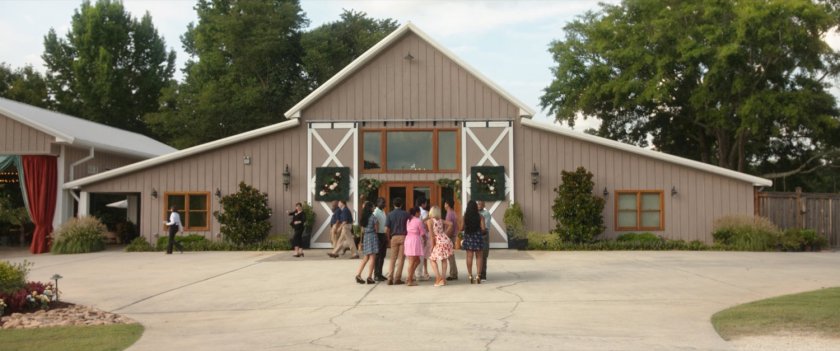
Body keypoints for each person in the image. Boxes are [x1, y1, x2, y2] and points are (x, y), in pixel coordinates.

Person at [427, 206, 453, 287]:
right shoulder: (441, 220)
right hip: (445, 240)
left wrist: (432, 247)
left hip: (438, 241)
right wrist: (445, 233)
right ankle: (443, 279)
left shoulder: (430, 221)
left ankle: (438, 278)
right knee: (444, 259)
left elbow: (432, 236)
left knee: (432, 259)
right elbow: (451, 224)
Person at [385, 197, 410, 285]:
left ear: (393, 205)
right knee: (401, 259)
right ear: (402, 205)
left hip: (394, 237)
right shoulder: (406, 214)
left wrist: (388, 239)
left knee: (392, 259)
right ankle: (397, 278)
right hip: (403, 237)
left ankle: (390, 278)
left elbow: (386, 229)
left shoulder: (389, 214)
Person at [461, 200, 485, 284]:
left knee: (469, 256)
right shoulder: (480, 216)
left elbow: (461, 228)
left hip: (468, 236)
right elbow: (483, 229)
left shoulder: (465, 216)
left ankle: (470, 275)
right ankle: (478, 275)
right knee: (479, 256)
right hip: (478, 236)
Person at [355, 201, 379, 284]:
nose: (374, 208)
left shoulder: (363, 217)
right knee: (372, 257)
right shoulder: (373, 217)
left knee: (366, 257)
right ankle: (369, 277)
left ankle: (358, 274)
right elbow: (376, 229)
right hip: (372, 237)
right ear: (370, 208)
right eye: (373, 207)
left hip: (366, 237)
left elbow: (362, 230)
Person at [403, 207, 425, 286]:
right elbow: (422, 232)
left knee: (416, 260)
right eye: (419, 212)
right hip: (414, 240)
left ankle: (410, 276)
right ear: (416, 213)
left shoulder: (408, 220)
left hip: (408, 239)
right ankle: (409, 279)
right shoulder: (418, 221)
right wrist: (425, 239)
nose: (420, 214)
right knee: (412, 261)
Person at [373, 197, 389, 281]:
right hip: (378, 235)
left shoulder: (383, 211)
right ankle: (376, 274)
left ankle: (380, 273)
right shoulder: (375, 212)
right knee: (377, 256)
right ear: (378, 203)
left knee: (382, 256)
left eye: (384, 202)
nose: (384, 204)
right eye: (383, 202)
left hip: (383, 235)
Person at [415, 198, 431, 281]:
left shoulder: (416, 212)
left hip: (414, 236)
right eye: (425, 203)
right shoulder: (424, 212)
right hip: (423, 235)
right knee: (424, 256)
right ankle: (424, 272)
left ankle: (417, 273)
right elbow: (426, 224)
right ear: (422, 204)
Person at [444, 200, 459, 281]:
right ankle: (454, 273)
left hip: (450, 236)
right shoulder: (453, 212)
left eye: (445, 203)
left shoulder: (449, 214)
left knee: (450, 256)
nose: (444, 205)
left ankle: (453, 274)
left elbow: (450, 227)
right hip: (453, 235)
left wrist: (446, 237)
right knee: (450, 255)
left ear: (447, 204)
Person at [478, 201, 492, 281]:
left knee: (483, 256)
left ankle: (483, 275)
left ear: (484, 205)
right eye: (478, 204)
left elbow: (486, 227)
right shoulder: (475, 213)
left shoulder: (486, 214)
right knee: (478, 256)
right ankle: (478, 273)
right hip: (477, 235)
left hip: (484, 235)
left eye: (480, 204)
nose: (479, 205)